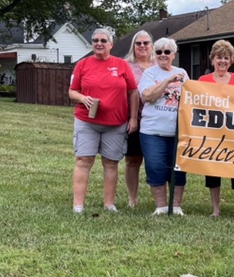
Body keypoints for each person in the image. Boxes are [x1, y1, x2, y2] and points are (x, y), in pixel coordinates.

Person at [68, 27, 138, 214]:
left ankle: (109, 204)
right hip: (87, 121)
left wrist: (132, 118)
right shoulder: (82, 64)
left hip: (115, 124)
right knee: (84, 160)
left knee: (111, 162)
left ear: (111, 44)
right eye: (95, 40)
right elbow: (72, 91)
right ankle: (78, 205)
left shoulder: (122, 65)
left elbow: (133, 92)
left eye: (103, 40)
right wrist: (83, 98)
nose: (99, 43)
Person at [199, 40, 234, 221]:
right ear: (212, 59)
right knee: (213, 170)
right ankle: (215, 209)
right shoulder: (203, 81)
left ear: (231, 60)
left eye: (226, 58)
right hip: (212, 134)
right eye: (219, 57)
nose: (222, 61)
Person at [138, 37, 189, 216]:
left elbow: (191, 98)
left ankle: (175, 206)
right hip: (152, 131)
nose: (163, 55)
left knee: (178, 168)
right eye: (159, 52)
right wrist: (168, 81)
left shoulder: (182, 72)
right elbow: (148, 97)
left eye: (167, 52)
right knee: (155, 166)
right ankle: (160, 206)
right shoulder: (150, 74)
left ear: (173, 54)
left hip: (178, 131)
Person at [123, 30, 155, 208]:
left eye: (146, 43)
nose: (142, 46)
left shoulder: (161, 64)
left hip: (156, 119)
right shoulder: (125, 65)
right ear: (133, 46)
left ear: (152, 46)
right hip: (133, 118)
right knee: (133, 160)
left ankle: (160, 198)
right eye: (138, 43)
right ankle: (132, 199)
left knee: (155, 160)